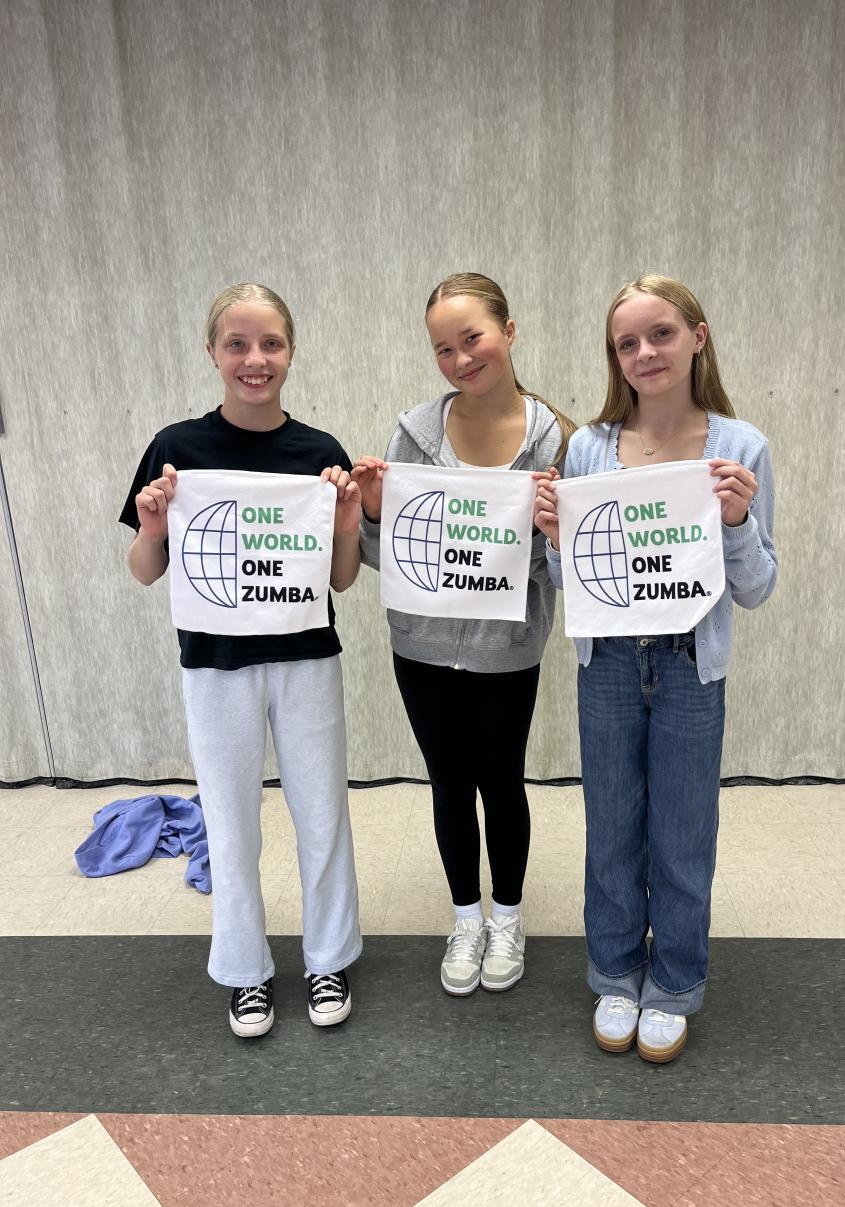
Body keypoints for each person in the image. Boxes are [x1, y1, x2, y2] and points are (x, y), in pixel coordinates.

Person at [535, 274, 777, 1062]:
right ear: (615, 357)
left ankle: (673, 980)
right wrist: (555, 539)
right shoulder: (589, 447)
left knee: (682, 832)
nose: (645, 352)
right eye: (627, 343)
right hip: (607, 662)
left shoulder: (742, 447)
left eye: (662, 333)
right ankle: (615, 970)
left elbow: (758, 587)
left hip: (689, 667)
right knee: (610, 825)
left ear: (698, 337)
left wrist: (736, 522)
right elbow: (575, 582)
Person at [120, 283, 363, 1039]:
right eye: (237, 344)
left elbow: (341, 580)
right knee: (229, 824)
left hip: (305, 658)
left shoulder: (319, 453)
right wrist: (153, 527)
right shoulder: (176, 449)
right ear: (212, 352)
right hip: (215, 664)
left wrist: (346, 520)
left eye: (270, 344)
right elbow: (144, 571)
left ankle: (328, 958)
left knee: (322, 815)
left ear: (290, 351)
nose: (255, 359)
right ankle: (245, 971)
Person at [353, 273, 574, 996]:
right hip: (419, 646)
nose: (460, 359)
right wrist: (376, 512)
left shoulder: (558, 439)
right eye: (443, 349)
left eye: (472, 338)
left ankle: (507, 918)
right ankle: (466, 919)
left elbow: (564, 566)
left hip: (506, 650)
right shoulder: (415, 432)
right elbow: (386, 556)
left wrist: (543, 531)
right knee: (448, 783)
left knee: (502, 781)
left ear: (509, 331)